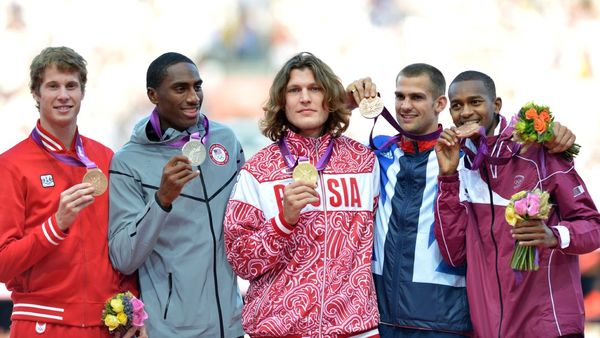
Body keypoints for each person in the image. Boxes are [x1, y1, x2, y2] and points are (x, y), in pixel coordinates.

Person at [346, 64, 577, 337]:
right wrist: (344, 102)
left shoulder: (471, 155)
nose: (405, 105)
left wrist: (552, 133)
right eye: (400, 97)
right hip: (381, 317)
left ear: (440, 103)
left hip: (445, 320)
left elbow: (502, 138)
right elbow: (315, 132)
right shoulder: (379, 152)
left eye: (417, 97)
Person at [223, 52, 380, 337]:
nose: (305, 98)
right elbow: (241, 260)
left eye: (315, 88)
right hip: (277, 329)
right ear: (282, 102)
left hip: (355, 329)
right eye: (295, 90)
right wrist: (283, 222)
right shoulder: (258, 171)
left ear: (330, 97)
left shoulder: (365, 163)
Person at [434, 70, 600, 337]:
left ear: (496, 105)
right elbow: (454, 255)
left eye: (475, 102)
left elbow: (592, 226)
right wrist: (448, 178)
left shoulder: (539, 149)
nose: (465, 112)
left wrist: (554, 235)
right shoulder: (459, 163)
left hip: (547, 324)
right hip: (490, 327)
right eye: (457, 105)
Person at [0, 47, 142, 338]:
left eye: (71, 85)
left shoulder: (105, 158)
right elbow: (3, 264)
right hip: (42, 324)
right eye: (53, 86)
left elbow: (123, 244)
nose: (63, 95)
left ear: (82, 93)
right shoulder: (11, 165)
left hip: (105, 324)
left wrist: (131, 305)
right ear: (36, 94)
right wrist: (57, 224)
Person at [108, 52, 245, 338]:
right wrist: (162, 200)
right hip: (171, 330)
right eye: (180, 88)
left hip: (232, 325)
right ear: (153, 95)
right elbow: (123, 256)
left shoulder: (226, 140)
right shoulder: (127, 161)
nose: (194, 97)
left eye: (197, 86)